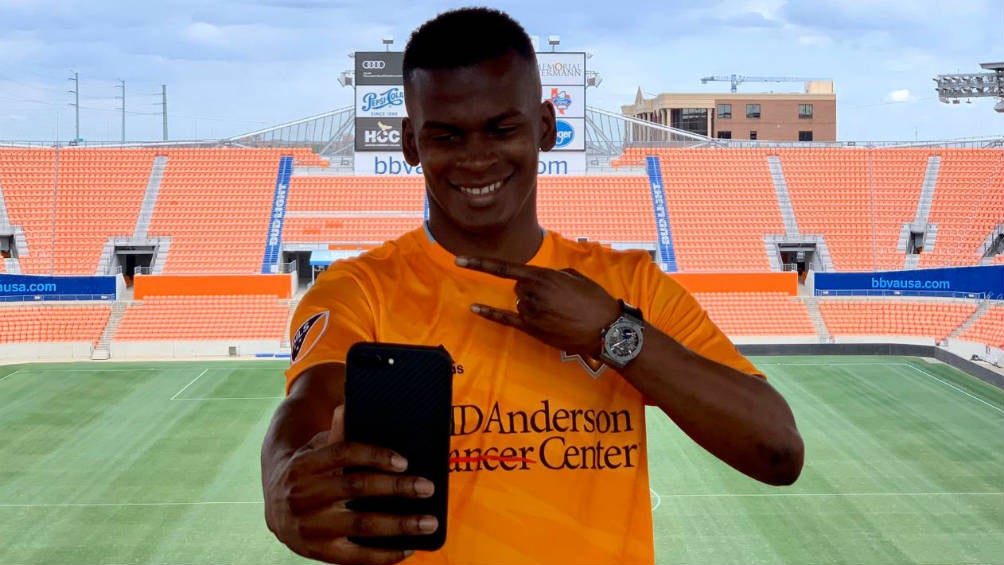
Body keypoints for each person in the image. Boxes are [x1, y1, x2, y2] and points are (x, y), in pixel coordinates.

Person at [261, 7, 804, 565]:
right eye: (447, 135)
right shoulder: (360, 289)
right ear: (410, 144)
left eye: (503, 128)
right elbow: (307, 407)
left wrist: (613, 334)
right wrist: (279, 478)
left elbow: (778, 451)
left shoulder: (627, 283)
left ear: (546, 126)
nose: (476, 158)